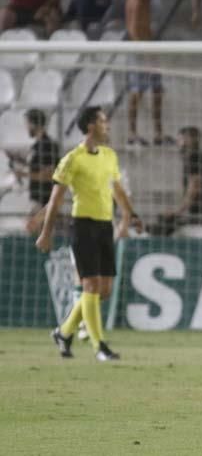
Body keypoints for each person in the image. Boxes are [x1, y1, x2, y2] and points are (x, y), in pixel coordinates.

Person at [35, 107, 139, 361]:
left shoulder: (109, 156)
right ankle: (99, 346)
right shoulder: (73, 159)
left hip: (105, 226)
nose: (108, 126)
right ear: (91, 126)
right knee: (90, 285)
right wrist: (45, 232)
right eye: (103, 122)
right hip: (82, 226)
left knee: (103, 290)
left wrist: (129, 215)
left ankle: (64, 331)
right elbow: (56, 199)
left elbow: (117, 189)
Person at [125, 0, 170, 148]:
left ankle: (158, 132)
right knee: (138, 91)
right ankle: (132, 133)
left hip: (146, 47)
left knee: (156, 91)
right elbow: (134, 27)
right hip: (142, 49)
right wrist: (145, 49)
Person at [149, 126, 202, 236]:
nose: (178, 143)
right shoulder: (200, 157)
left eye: (180, 139)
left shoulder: (194, 157)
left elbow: (195, 186)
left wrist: (178, 211)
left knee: (165, 224)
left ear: (188, 139)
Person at [15, 109, 60, 222]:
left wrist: (23, 174)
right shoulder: (36, 146)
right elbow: (37, 166)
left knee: (35, 231)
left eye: (27, 124)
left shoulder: (48, 145)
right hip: (37, 198)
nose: (26, 128)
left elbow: (50, 175)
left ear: (34, 124)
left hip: (45, 199)